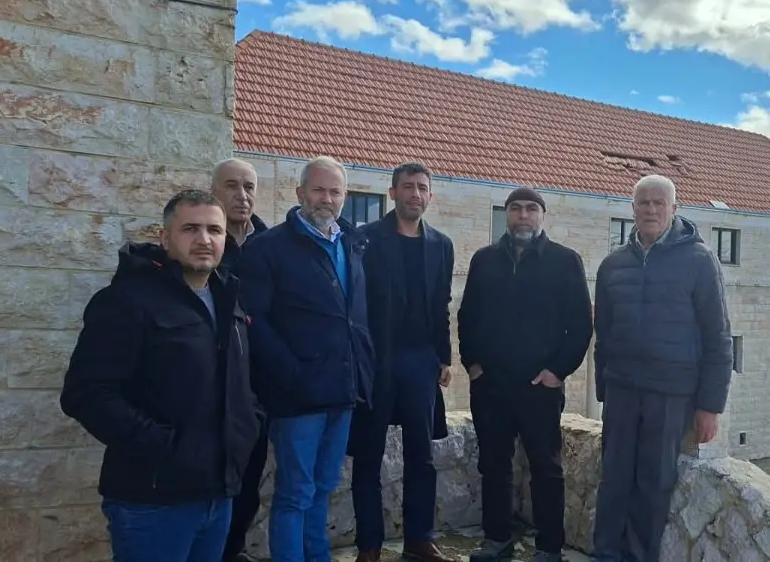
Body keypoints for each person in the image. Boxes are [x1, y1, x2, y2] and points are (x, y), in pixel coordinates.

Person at [60, 189, 263, 562]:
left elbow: (239, 379)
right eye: (190, 229)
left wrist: (248, 426)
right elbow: (85, 393)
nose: (204, 240)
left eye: (214, 230)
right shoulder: (128, 301)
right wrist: (163, 445)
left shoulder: (228, 298)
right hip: (152, 500)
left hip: (218, 494)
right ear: (166, 238)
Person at [589, 174, 734, 562]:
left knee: (653, 485)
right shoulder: (613, 265)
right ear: (633, 209)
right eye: (644, 203)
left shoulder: (699, 261)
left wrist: (710, 406)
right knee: (613, 478)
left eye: (659, 202)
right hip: (621, 391)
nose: (651, 209)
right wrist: (605, 390)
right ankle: (605, 554)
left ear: (674, 208)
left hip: (671, 393)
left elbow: (718, 336)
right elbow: (604, 334)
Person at [238, 156, 375, 562]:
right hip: (296, 395)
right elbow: (255, 320)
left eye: (335, 192)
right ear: (300, 193)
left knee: (323, 488)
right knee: (295, 493)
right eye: (318, 190)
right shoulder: (269, 248)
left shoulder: (352, 244)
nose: (326, 199)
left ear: (345, 196)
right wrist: (292, 373)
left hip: (342, 390)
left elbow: (356, 316)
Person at [458, 187, 594, 562]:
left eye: (531, 208)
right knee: (493, 465)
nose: (523, 215)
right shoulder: (484, 260)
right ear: (506, 214)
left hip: (540, 388)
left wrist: (557, 372)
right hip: (490, 387)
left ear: (542, 215)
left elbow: (580, 326)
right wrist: (472, 364)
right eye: (516, 208)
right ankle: (496, 541)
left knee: (546, 468)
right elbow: (467, 316)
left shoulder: (565, 261)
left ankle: (549, 547)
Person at [348, 162, 457, 562]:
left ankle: (419, 539)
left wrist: (443, 357)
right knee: (368, 456)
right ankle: (369, 546)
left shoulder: (441, 245)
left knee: (421, 456)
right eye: (407, 187)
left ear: (430, 195)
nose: (415, 194)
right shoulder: (365, 239)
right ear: (392, 193)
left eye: (422, 188)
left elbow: (441, 304)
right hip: (375, 361)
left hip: (420, 361)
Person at [210, 158, 270, 562]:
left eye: (248, 186)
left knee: (251, 480)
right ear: (214, 191)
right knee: (215, 480)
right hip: (213, 383)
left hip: (259, 385)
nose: (242, 195)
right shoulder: (204, 245)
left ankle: (233, 551)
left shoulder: (270, 243)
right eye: (231, 186)